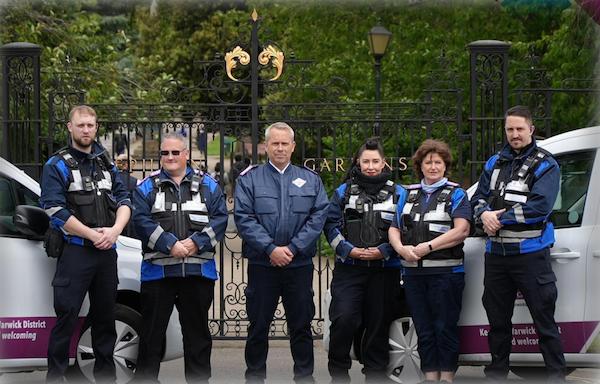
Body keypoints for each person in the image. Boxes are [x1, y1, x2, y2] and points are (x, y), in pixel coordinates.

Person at [471, 106, 565, 382]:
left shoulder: (545, 164)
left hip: (530, 256)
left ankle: (556, 376)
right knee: (497, 323)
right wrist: (483, 214)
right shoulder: (493, 163)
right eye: (510, 129)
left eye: (520, 129)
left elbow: (540, 207)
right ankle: (497, 374)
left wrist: (499, 219)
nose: (514, 134)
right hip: (496, 257)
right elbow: (477, 198)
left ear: (531, 130)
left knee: (544, 322)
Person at [40, 105, 132, 382]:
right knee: (66, 319)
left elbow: (125, 200)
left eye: (90, 125)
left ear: (96, 127)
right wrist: (92, 235)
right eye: (80, 125)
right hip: (76, 253)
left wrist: (115, 231)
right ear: (70, 127)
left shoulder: (106, 163)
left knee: (105, 320)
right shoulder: (56, 165)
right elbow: (54, 209)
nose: (86, 130)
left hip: (107, 254)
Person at [234, 122, 329, 383]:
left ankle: (304, 377)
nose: (279, 148)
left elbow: (318, 216)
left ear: (293, 146)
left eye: (284, 143)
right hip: (262, 265)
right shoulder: (249, 179)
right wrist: (270, 248)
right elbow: (244, 218)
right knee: (258, 327)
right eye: (274, 143)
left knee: (301, 326)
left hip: (298, 266)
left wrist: (293, 248)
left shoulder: (311, 180)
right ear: (265, 146)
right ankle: (254, 377)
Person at [132, 133, 228, 382]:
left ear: (186, 154)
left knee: (197, 338)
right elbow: (140, 220)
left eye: (176, 152)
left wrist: (197, 243)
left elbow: (220, 219)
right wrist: (169, 244)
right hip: (157, 274)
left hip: (197, 273)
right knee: (151, 336)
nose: (170, 157)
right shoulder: (146, 186)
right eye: (165, 153)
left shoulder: (209, 185)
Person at [324, 138, 407, 382]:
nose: (370, 166)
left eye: (375, 161)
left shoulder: (399, 193)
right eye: (365, 161)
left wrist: (385, 250)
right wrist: (349, 250)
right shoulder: (344, 191)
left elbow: (406, 228)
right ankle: (338, 372)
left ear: (384, 163)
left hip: (385, 269)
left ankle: (375, 375)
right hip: (350, 269)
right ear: (358, 163)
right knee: (344, 318)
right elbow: (330, 225)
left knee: (378, 324)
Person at [388, 139, 471, 383]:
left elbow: (462, 230)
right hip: (414, 275)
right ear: (420, 166)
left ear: (445, 165)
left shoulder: (457, 193)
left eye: (438, 162)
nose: (433, 167)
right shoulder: (408, 193)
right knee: (423, 330)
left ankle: (446, 377)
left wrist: (428, 247)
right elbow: (394, 228)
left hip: (447, 275)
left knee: (444, 328)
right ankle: (430, 377)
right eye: (428, 162)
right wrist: (401, 249)